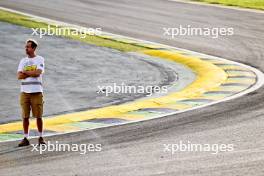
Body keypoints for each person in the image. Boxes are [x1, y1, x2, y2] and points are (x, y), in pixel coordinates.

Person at [17, 39, 46, 147]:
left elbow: (38, 73)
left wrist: (25, 72)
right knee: (25, 116)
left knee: (38, 116)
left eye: (28, 47)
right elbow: (19, 76)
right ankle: (25, 138)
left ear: (33, 48)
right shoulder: (22, 61)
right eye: (26, 47)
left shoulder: (40, 59)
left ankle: (41, 137)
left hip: (36, 92)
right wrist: (30, 73)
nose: (26, 48)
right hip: (24, 92)